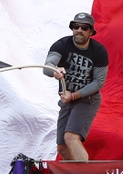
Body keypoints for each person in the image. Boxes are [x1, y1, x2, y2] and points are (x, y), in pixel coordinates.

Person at [45, 13, 108, 161]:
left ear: (91, 32)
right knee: (62, 147)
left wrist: (73, 96)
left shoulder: (99, 51)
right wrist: (55, 71)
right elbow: (46, 67)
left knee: (71, 137)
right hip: (66, 100)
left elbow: (98, 83)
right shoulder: (61, 44)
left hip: (88, 100)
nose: (79, 30)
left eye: (84, 27)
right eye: (76, 26)